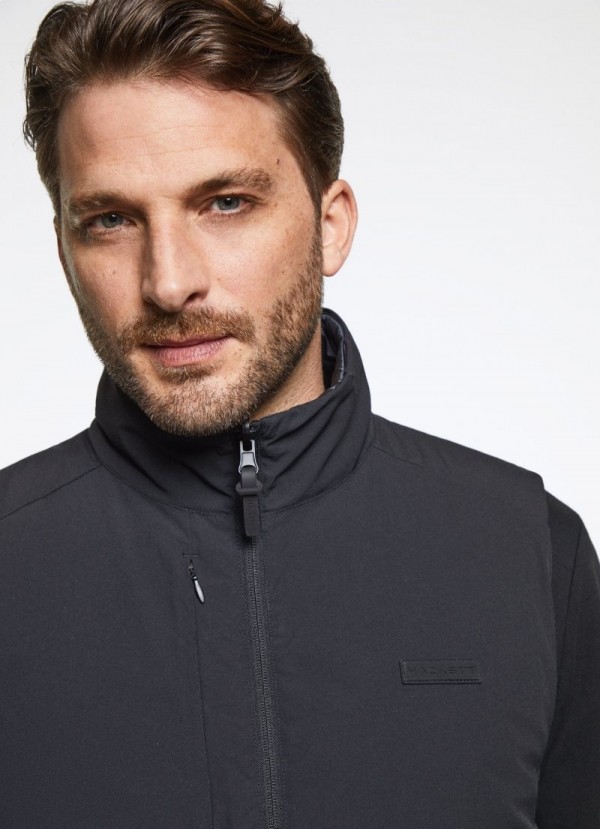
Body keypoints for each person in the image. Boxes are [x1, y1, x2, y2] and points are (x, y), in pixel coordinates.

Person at [1, 0, 598, 826]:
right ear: (64, 251)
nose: (169, 282)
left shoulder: (531, 555)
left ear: (330, 225)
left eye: (225, 202)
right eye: (111, 219)